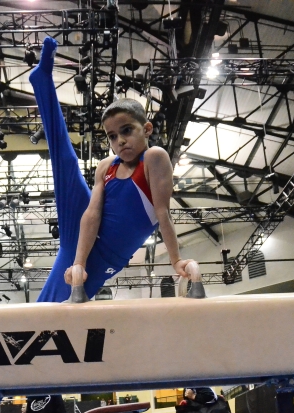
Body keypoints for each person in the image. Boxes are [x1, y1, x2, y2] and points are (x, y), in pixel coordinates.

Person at [29, 36, 192, 303]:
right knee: (66, 162)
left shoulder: (154, 158)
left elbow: (163, 213)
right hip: (82, 235)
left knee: (51, 308)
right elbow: (92, 213)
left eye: (126, 131)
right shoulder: (107, 166)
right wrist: (78, 262)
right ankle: (43, 79)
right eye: (113, 136)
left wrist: (176, 261)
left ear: (147, 129)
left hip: (105, 255)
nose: (120, 141)